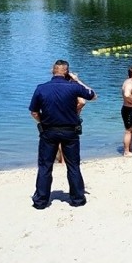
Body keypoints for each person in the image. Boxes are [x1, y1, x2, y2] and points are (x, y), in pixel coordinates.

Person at [29, 60, 97, 209]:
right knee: (73, 166)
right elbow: (92, 95)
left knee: (45, 166)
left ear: (52, 71)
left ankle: (41, 201)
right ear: (67, 72)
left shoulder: (41, 88)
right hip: (70, 131)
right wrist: (77, 80)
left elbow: (34, 112)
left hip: (49, 131)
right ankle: (77, 199)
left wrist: (42, 123)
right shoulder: (73, 87)